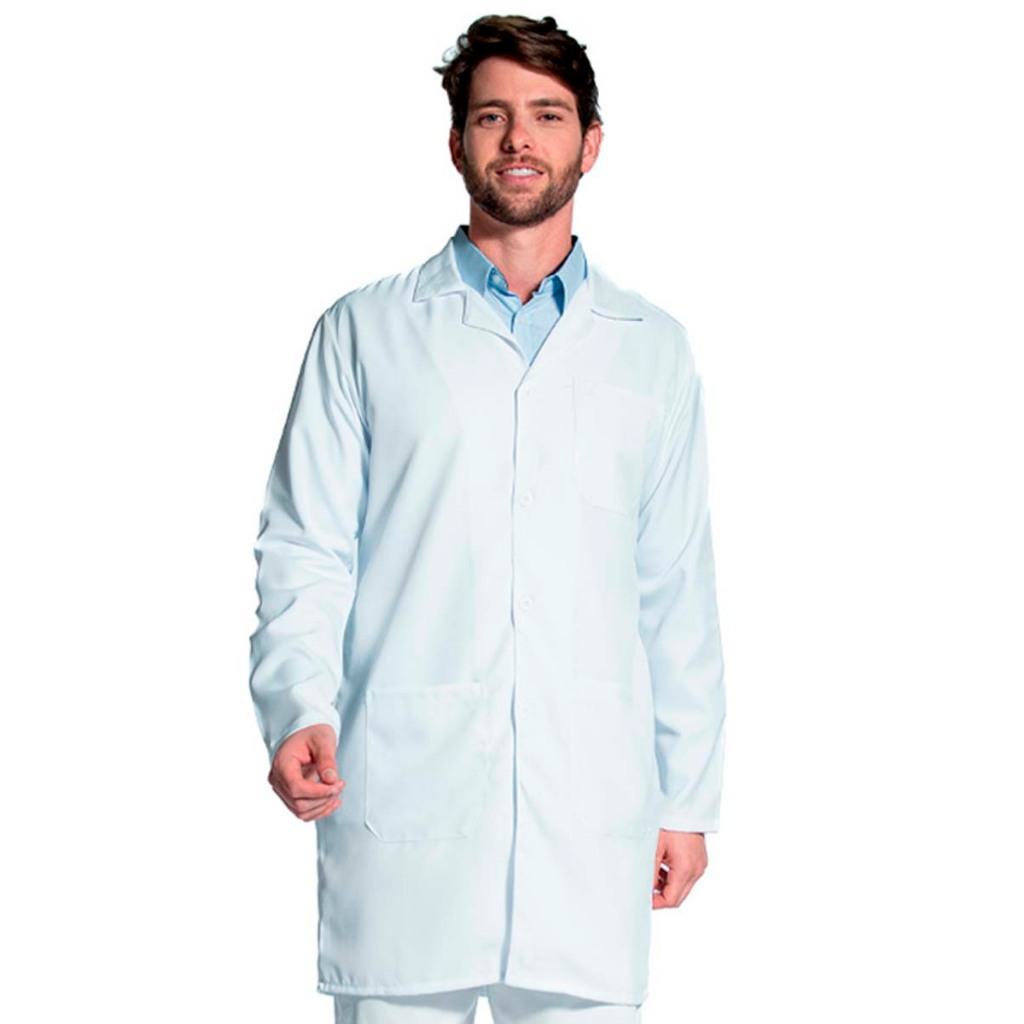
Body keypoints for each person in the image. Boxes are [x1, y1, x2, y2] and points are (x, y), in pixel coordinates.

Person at [248, 14, 726, 1024]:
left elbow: (674, 583)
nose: (519, 139)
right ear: (456, 142)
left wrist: (686, 798)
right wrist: (298, 706)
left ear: (590, 142)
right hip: (403, 805)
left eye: (547, 115)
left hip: (589, 826)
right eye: (492, 116)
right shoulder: (364, 331)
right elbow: (306, 548)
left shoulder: (652, 349)